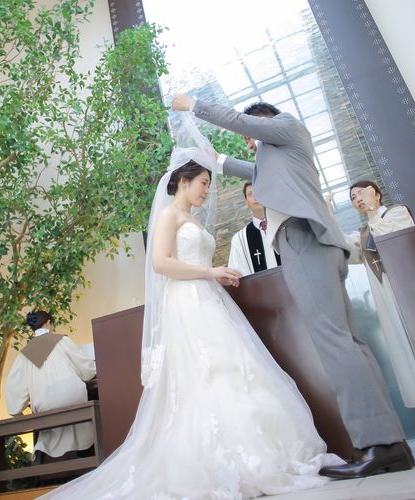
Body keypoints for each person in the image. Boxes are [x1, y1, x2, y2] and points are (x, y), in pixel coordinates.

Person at [40, 115, 342, 499]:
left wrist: (216, 275)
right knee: (205, 375)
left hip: (208, 300)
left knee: (233, 371)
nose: (206, 191)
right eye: (203, 183)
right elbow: (160, 263)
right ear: (183, 180)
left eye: (208, 185)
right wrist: (209, 271)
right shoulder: (168, 216)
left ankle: (255, 454)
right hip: (186, 304)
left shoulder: (191, 219)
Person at [171, 96, 414, 479]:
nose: (251, 143)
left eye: (253, 136)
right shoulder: (279, 158)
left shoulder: (287, 126)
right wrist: (217, 161)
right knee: (347, 343)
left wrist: (194, 104)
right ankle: (389, 444)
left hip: (304, 240)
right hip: (312, 244)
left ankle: (378, 444)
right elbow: (255, 171)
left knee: (334, 343)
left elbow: (242, 124)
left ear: (265, 120)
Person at [327, 181, 415, 450]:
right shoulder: (363, 233)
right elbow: (347, 251)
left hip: (412, 292)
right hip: (388, 300)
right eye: (353, 197)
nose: (358, 199)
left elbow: (396, 235)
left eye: (362, 193)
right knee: (411, 357)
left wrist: (374, 213)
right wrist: (329, 216)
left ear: (376, 193)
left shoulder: (396, 213)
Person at [5, 311, 96, 460]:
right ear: (48, 323)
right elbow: (86, 369)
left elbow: (13, 385)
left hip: (45, 405)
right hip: (72, 398)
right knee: (89, 396)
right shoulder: (62, 340)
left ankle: (49, 457)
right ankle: (88, 453)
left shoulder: (25, 353)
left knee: (48, 411)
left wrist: (17, 412)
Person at [229, 181, 281, 275]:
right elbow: (236, 275)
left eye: (259, 191)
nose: (255, 197)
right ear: (246, 202)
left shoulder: (283, 228)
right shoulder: (239, 240)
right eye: (250, 194)